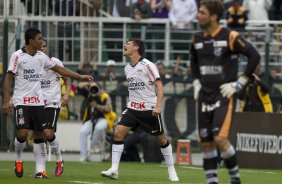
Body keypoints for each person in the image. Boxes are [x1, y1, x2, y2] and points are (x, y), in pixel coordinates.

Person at [2, 28, 93, 178]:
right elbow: (8, 78)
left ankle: (40, 171)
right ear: (31, 41)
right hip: (21, 101)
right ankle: (18, 159)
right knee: (23, 133)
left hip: (39, 102)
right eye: (39, 39)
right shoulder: (17, 56)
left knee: (40, 134)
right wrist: (6, 100)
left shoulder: (41, 57)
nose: (42, 41)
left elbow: (60, 69)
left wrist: (80, 77)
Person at [190, 1, 260, 183]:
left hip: (224, 94)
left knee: (220, 139)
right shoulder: (196, 38)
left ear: (213, 16)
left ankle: (235, 178)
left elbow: (254, 55)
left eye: (202, 12)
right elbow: (194, 61)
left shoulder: (230, 35)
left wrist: (240, 83)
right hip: (204, 96)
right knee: (206, 143)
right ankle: (211, 181)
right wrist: (196, 81)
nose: (198, 15)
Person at [100, 38, 179, 182]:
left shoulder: (148, 65)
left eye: (128, 44)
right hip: (133, 108)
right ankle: (114, 170)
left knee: (161, 139)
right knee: (118, 132)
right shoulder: (127, 68)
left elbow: (159, 86)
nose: (125, 45)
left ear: (136, 48)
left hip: (149, 109)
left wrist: (158, 106)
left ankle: (171, 170)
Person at [36, 38, 72, 177]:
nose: (42, 49)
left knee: (48, 133)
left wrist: (67, 95)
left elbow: (67, 79)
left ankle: (59, 159)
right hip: (37, 103)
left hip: (52, 103)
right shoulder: (33, 65)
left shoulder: (55, 63)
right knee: (38, 136)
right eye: (40, 47)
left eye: (44, 46)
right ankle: (41, 170)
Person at [79, 82, 116, 161]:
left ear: (99, 88)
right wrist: (88, 83)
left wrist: (97, 106)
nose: (93, 89)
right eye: (92, 88)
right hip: (91, 119)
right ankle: (84, 155)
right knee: (82, 132)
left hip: (103, 118)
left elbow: (109, 109)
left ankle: (92, 146)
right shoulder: (89, 94)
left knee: (99, 128)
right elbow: (79, 87)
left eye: (95, 87)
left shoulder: (104, 96)